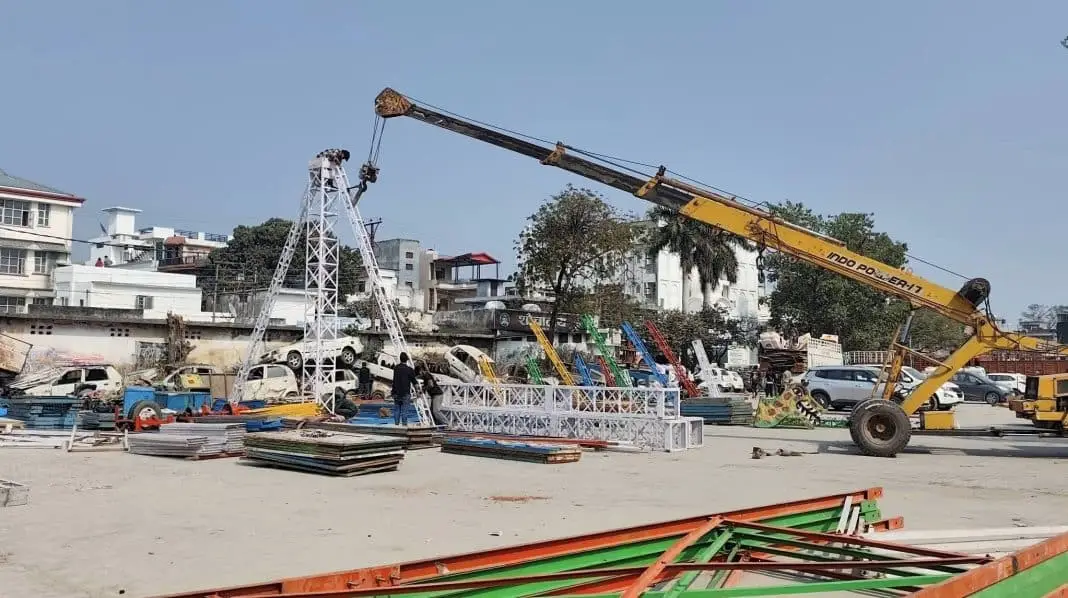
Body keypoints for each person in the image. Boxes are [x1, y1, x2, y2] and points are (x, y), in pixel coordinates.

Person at [390, 352, 418, 426]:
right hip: (405, 392)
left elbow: (394, 379)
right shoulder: (409, 369)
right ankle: (404, 425)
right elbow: (414, 381)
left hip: (396, 392)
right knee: (404, 411)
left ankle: (396, 425)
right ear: (407, 359)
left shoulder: (396, 368)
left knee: (397, 410)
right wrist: (418, 391)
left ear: (400, 359)